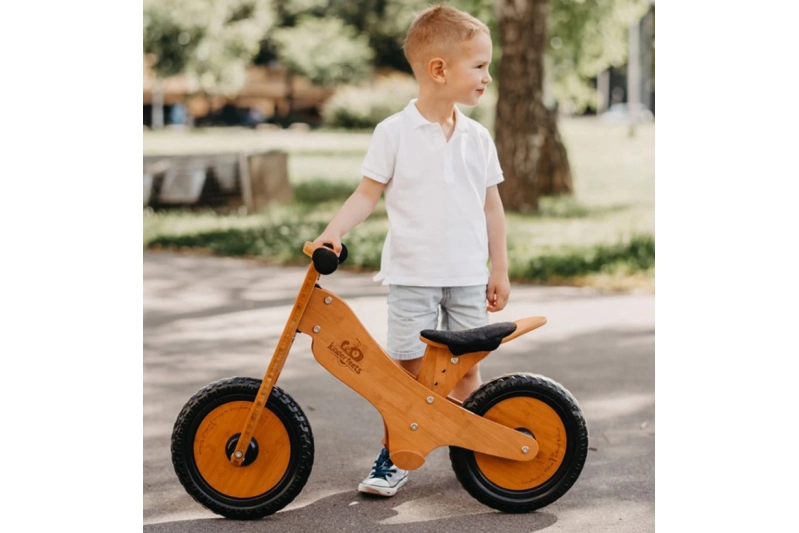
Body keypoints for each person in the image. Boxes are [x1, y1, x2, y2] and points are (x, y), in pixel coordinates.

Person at [312, 3, 509, 498]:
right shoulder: (393, 133)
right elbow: (366, 194)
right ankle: (394, 455)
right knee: (406, 380)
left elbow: (492, 208)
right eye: (480, 66)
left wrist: (499, 268)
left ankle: (477, 452)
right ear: (439, 70)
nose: (488, 75)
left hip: (466, 276)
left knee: (467, 375)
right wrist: (330, 233)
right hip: (411, 277)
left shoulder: (478, 137)